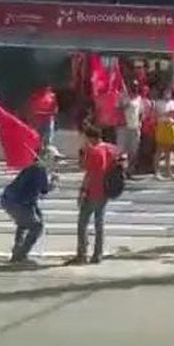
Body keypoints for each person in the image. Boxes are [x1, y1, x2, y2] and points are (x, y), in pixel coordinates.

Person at [66, 126, 117, 265]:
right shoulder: (110, 148)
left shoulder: (93, 151)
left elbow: (87, 170)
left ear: (90, 138)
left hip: (92, 190)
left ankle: (82, 254)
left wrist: (82, 191)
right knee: (99, 223)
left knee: (83, 222)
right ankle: (97, 254)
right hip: (106, 189)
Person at [0, 146, 50, 264]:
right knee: (36, 226)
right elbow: (44, 190)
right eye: (54, 158)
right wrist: (53, 182)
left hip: (14, 200)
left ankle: (17, 251)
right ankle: (20, 255)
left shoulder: (35, 168)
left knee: (25, 223)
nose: (56, 162)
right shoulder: (39, 168)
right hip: (17, 202)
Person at [117, 82, 144, 178]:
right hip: (124, 127)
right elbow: (117, 109)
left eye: (136, 86)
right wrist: (124, 106)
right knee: (122, 150)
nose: (135, 88)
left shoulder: (139, 99)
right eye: (133, 86)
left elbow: (141, 112)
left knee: (133, 150)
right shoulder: (123, 97)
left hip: (135, 127)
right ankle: (122, 171)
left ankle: (130, 170)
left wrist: (140, 123)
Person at [153, 89, 174, 179]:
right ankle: (157, 172)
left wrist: (173, 115)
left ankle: (168, 171)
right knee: (159, 149)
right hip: (162, 125)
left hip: (171, 125)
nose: (167, 94)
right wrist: (165, 114)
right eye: (165, 93)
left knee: (169, 150)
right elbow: (155, 115)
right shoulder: (158, 103)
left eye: (169, 93)